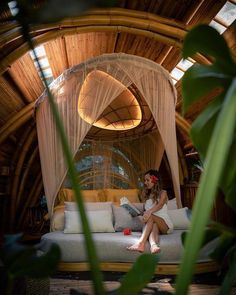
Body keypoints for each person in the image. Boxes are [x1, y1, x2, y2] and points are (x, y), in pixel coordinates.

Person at [127, 169, 173, 254]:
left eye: (147, 180)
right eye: (145, 180)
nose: (145, 182)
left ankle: (140, 243)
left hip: (164, 223)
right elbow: (145, 212)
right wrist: (135, 212)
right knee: (153, 225)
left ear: (155, 180)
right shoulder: (147, 196)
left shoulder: (163, 193)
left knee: (151, 218)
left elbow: (160, 205)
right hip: (152, 222)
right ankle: (154, 246)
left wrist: (149, 212)